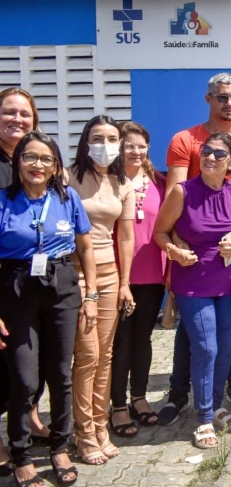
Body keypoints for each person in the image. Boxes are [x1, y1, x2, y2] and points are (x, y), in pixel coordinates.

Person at [160, 73, 231, 426]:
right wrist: (177, 249)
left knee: (230, 337)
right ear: (209, 99)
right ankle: (180, 394)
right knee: (193, 339)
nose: (229, 104)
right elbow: (171, 213)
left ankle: (227, 390)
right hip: (193, 263)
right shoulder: (184, 140)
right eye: (222, 97)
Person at [0, 132, 95, 487]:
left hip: (62, 286)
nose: (37, 165)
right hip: (16, 289)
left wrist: (92, 295)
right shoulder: (3, 201)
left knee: (61, 374)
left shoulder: (67, 197)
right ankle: (21, 454)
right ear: (18, 161)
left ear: (56, 165)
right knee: (24, 379)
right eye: (30, 157)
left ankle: (58, 447)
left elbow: (85, 248)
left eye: (45, 159)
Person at [154, 133, 231, 449]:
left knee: (225, 347)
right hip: (193, 283)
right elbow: (159, 231)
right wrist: (174, 250)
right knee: (206, 347)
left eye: (219, 153)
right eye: (206, 151)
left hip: (228, 284)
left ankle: (216, 405)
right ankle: (203, 418)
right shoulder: (183, 191)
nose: (210, 157)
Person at [68, 115, 135, 465]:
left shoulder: (121, 182)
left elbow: (125, 234)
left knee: (106, 356)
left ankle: (99, 425)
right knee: (88, 356)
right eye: (98, 137)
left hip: (110, 274)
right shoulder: (66, 178)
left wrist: (125, 283)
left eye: (112, 138)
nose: (106, 145)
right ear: (85, 140)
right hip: (75, 275)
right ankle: (83, 433)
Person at [109, 122, 167, 438]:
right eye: (129, 145)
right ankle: (117, 405)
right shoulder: (108, 182)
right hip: (117, 275)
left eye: (141, 145)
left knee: (143, 338)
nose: (136, 151)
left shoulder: (160, 181)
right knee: (120, 342)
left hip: (152, 275)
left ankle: (139, 397)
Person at [0, 87, 41, 476]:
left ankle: (30, 417)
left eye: (24, 115)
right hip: (3, 281)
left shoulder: (35, 161)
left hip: (32, 282)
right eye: (9, 113)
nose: (17, 120)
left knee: (28, 360)